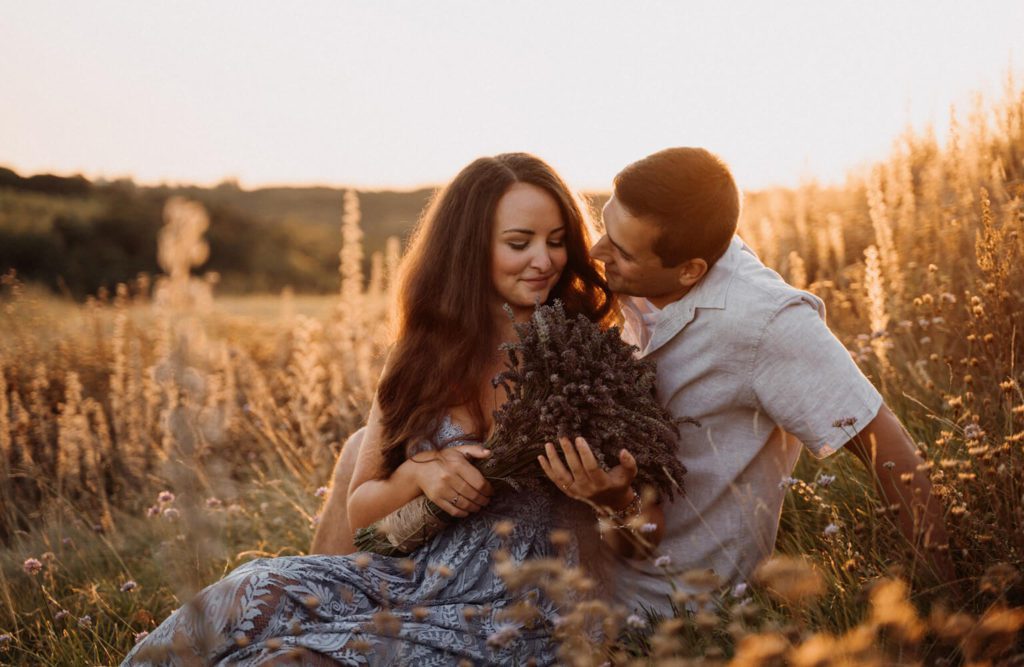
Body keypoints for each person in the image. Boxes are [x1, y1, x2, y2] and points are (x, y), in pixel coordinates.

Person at [123, 153, 637, 666]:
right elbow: (362, 508)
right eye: (519, 244)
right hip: (407, 579)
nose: (544, 261)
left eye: (556, 242)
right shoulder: (424, 353)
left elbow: (642, 525)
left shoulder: (587, 354)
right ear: (468, 250)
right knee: (242, 593)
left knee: (284, 663)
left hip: (515, 611)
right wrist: (420, 473)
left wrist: (615, 499)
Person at [586, 146, 954, 617]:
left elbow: (884, 445)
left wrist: (948, 606)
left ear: (691, 270)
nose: (598, 252)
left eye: (621, 251)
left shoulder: (764, 322)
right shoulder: (643, 279)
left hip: (670, 607)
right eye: (605, 228)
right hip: (585, 564)